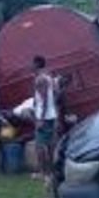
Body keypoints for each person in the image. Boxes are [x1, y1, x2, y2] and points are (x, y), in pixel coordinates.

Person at [33, 55, 57, 188]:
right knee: (50, 145)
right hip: (51, 115)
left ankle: (45, 174)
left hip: (44, 117)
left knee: (40, 147)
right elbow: (55, 94)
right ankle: (52, 173)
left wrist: (41, 119)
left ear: (37, 64)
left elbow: (45, 99)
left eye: (33, 64)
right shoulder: (49, 77)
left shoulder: (40, 79)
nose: (31, 66)